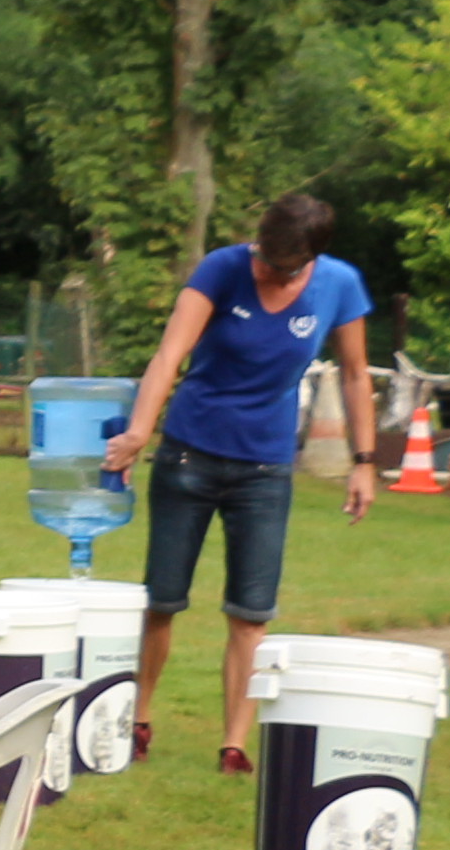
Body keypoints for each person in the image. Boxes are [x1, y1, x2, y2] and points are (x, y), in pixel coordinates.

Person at [100, 191, 379, 774]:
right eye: (262, 256)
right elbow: (169, 355)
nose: (265, 271)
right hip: (189, 456)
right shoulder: (222, 269)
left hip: (265, 471)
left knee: (252, 616)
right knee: (162, 602)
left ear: (309, 261)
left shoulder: (340, 285)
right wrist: (139, 432)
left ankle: (234, 745)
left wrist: (364, 460)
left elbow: (356, 375)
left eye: (281, 267)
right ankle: (138, 719)